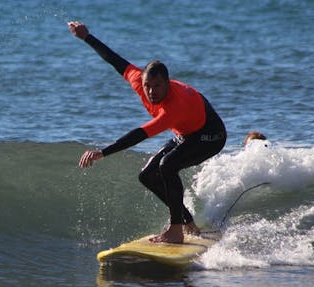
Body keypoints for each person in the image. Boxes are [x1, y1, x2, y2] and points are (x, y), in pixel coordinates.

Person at [69, 21, 226, 244]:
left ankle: (176, 230)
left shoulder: (175, 104)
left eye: (157, 86)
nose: (151, 92)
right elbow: (115, 60)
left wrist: (103, 152)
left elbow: (140, 134)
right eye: (147, 86)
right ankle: (187, 222)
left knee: (167, 165)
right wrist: (87, 37)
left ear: (167, 83)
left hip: (210, 135)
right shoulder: (140, 81)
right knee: (147, 176)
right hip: (186, 132)